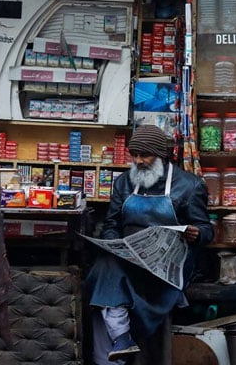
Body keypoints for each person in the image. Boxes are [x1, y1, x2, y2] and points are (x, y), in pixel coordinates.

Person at [85, 125, 214, 365]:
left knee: (107, 272)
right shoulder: (124, 183)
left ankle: (121, 338)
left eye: (145, 155)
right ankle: (122, 338)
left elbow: (206, 229)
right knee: (106, 264)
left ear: (161, 155)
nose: (139, 161)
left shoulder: (189, 185)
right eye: (134, 155)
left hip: (168, 264)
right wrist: (116, 243)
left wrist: (197, 234)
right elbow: (112, 223)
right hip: (129, 257)